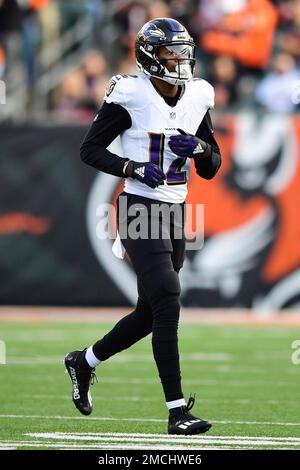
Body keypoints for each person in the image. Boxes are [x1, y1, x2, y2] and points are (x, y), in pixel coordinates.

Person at [64, 18, 221, 435]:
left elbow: (211, 165)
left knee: (150, 314)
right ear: (151, 56)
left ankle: (85, 360)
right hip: (138, 207)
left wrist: (202, 147)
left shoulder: (199, 94)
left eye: (183, 51)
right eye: (171, 53)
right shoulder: (130, 93)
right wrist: (132, 166)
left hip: (175, 211)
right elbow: (90, 149)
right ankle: (176, 412)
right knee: (168, 295)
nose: (180, 59)